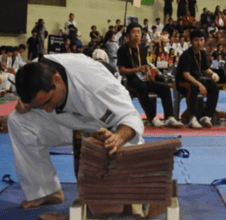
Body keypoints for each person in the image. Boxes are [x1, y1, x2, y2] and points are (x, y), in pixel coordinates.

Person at [8, 53, 145, 208]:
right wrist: (26, 102)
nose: (46, 109)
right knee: (18, 120)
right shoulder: (35, 71)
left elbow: (131, 117)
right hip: (67, 123)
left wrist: (118, 138)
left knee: (124, 197)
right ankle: (45, 190)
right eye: (41, 105)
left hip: (103, 127)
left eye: (48, 101)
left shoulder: (96, 85)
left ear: (56, 80)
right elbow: (32, 93)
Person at [117, 22, 182, 129]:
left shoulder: (142, 48)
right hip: (130, 81)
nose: (137, 34)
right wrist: (138, 69)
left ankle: (169, 117)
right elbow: (121, 70)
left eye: (139, 32)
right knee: (141, 87)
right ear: (128, 35)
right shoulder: (122, 50)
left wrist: (148, 69)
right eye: (133, 32)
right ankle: (152, 118)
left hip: (144, 79)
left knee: (165, 88)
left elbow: (143, 64)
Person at [175, 28, 220, 129]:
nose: (199, 43)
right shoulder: (186, 55)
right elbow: (186, 75)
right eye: (196, 40)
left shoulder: (202, 53)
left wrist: (213, 74)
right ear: (191, 41)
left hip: (197, 81)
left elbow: (206, 69)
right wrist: (200, 85)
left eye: (201, 40)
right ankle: (192, 118)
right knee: (193, 88)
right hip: (183, 82)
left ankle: (207, 116)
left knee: (214, 88)